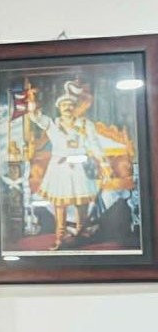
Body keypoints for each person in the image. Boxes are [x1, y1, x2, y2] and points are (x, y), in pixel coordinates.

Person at [28, 81, 111, 249]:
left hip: (80, 166)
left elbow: (95, 145)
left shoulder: (85, 124)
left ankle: (80, 232)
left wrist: (104, 162)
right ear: (59, 108)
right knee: (60, 204)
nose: (67, 107)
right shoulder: (52, 124)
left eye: (70, 104)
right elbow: (36, 117)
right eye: (63, 104)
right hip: (59, 168)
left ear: (75, 107)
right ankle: (60, 237)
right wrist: (32, 105)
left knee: (82, 202)